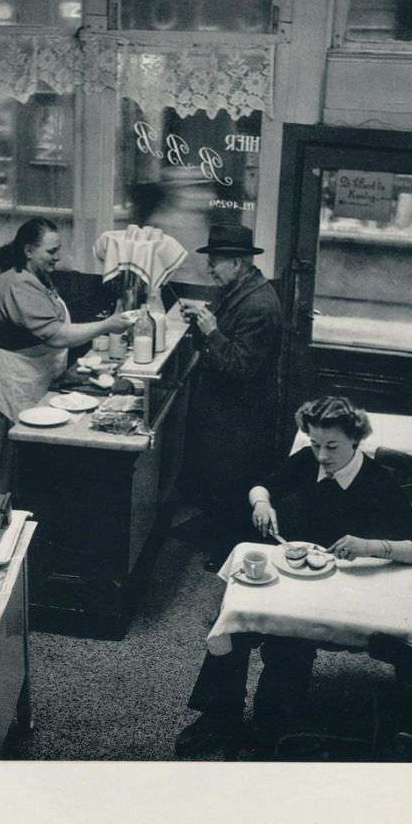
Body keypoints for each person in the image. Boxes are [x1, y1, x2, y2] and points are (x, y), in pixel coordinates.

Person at [175, 395, 412, 758]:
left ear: (356, 440)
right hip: (299, 572)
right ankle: (219, 716)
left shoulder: (377, 482)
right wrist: (262, 502)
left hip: (346, 586)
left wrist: (370, 546)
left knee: (289, 641)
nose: (322, 456)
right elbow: (263, 484)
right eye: (315, 444)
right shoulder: (309, 460)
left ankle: (270, 727)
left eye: (332, 447)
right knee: (232, 622)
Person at [0, 217, 131, 493]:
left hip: (23, 374)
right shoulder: (17, 283)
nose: (57, 258)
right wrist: (108, 324)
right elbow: (57, 335)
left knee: (20, 467)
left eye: (58, 250)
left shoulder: (31, 273)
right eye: (51, 251)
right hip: (3, 379)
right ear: (28, 250)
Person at [177, 223, 282, 570]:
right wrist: (201, 322)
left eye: (215, 262)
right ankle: (213, 530)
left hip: (243, 413)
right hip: (225, 406)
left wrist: (211, 330)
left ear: (237, 263)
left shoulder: (260, 306)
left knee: (234, 478)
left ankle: (229, 549)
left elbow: (241, 366)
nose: (209, 269)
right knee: (216, 475)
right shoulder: (238, 289)